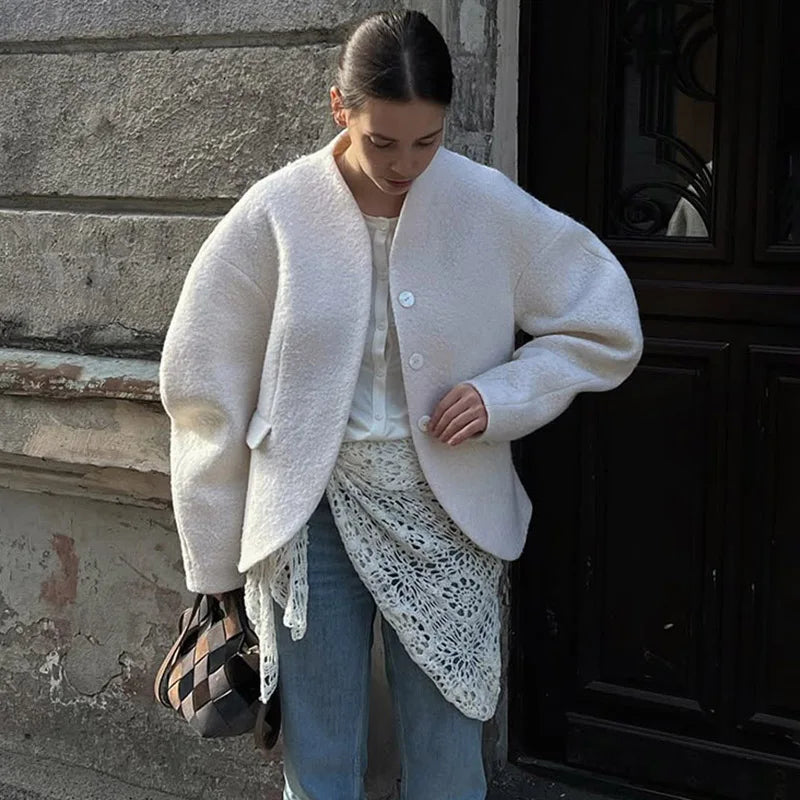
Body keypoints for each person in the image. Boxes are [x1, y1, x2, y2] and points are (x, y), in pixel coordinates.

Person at [158, 10, 644, 800]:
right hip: (311, 517)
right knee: (319, 763)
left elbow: (605, 324)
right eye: (382, 141)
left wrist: (501, 396)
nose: (406, 164)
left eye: (428, 141)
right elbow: (202, 386)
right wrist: (213, 561)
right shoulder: (276, 213)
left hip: (450, 516)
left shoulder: (486, 205)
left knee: (448, 763)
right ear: (339, 107)